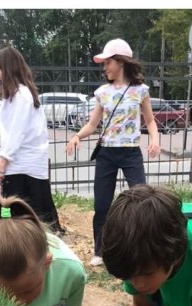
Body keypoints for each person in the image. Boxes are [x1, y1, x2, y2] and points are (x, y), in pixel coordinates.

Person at [66, 39, 160, 267]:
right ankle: (100, 250)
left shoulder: (141, 90)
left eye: (108, 62)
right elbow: (92, 124)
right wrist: (77, 135)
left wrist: (155, 139)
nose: (105, 67)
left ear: (121, 62)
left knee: (142, 201)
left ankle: (142, 246)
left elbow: (149, 119)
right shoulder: (103, 93)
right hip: (107, 154)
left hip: (131, 153)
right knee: (102, 205)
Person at [0, 46, 63, 235]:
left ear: (7, 69)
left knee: (24, 215)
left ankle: (39, 247)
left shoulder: (21, 97)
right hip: (23, 164)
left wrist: (2, 163)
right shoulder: (17, 96)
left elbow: (16, 132)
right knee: (33, 212)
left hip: (23, 164)